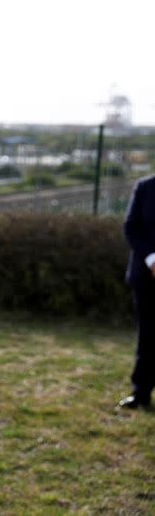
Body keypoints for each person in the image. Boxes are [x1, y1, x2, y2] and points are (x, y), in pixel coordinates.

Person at [118, 173, 155, 410]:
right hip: (147, 277)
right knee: (149, 336)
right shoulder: (145, 187)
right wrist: (152, 259)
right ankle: (141, 393)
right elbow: (131, 227)